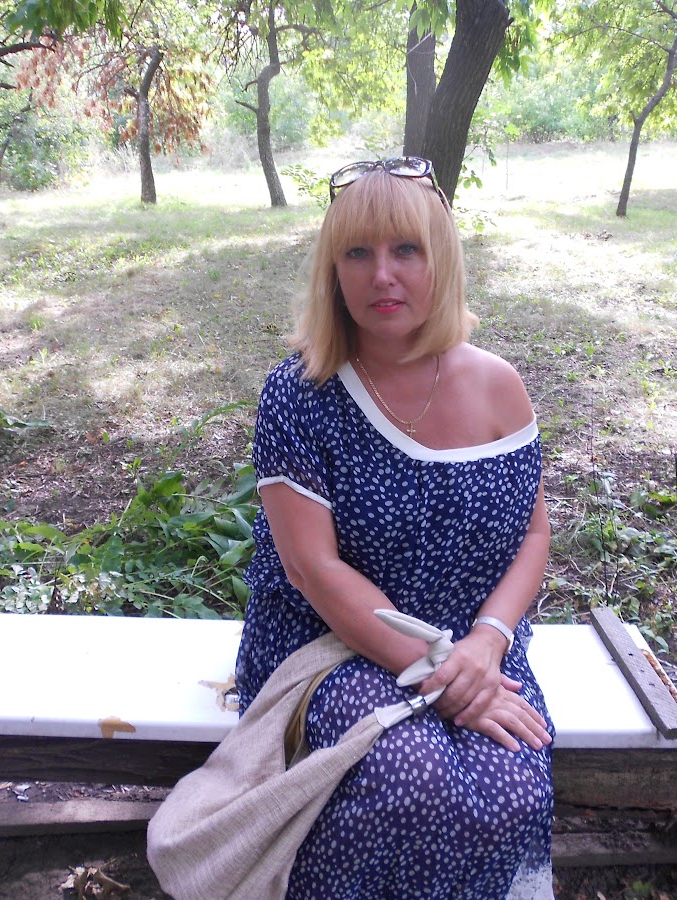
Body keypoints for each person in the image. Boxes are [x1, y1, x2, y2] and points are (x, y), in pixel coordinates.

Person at [235, 156, 555, 899]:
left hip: (474, 647)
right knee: (406, 777)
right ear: (333, 270)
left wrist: (487, 643)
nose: (382, 274)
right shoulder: (300, 394)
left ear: (440, 258)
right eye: (358, 253)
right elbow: (313, 571)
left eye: (405, 249)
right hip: (325, 645)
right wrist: (438, 676)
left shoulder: (499, 386)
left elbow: (534, 535)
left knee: (512, 789)